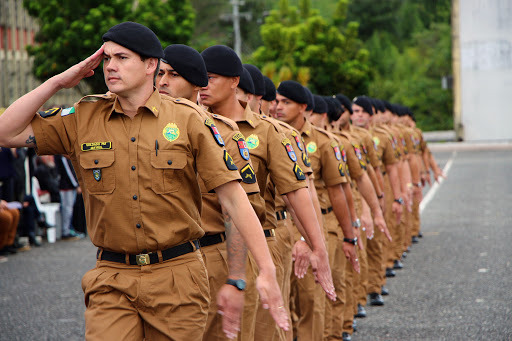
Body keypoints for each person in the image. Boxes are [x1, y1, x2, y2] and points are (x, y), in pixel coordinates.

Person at [0, 22, 288, 340]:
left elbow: (234, 199)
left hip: (177, 276)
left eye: (122, 58)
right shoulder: (83, 117)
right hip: (112, 277)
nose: (110, 66)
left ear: (151, 65)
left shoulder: (189, 119)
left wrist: (265, 271)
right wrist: (59, 81)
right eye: (107, 58)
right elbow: (6, 132)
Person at [199, 47, 335, 340]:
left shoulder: (270, 132)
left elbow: (298, 192)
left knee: (261, 332)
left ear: (235, 82)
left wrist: (315, 245)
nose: (203, 86)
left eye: (210, 78)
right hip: (195, 251)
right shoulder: (193, 123)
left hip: (252, 243)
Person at [157, 43, 270, 340]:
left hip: (211, 252)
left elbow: (237, 207)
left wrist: (236, 276)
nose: (162, 82)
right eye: (160, 74)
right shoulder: (143, 128)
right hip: (159, 261)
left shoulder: (224, 132)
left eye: (173, 74)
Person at [55, 155, 84, 240]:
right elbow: (68, 172)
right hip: (66, 187)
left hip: (69, 186)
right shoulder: (62, 156)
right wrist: (76, 185)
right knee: (67, 209)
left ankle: (69, 228)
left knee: (69, 209)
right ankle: (65, 231)